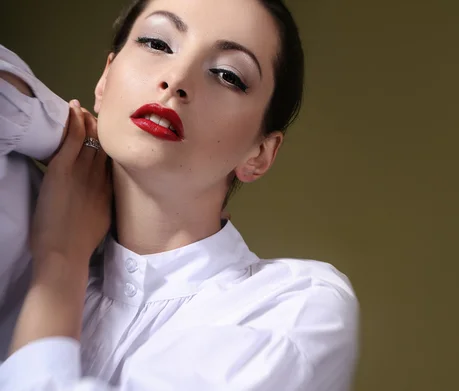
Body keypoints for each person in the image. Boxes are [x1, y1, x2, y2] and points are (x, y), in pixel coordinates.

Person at [0, 0, 359, 389]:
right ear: (105, 80)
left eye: (226, 74)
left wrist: (60, 266)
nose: (176, 78)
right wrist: (67, 135)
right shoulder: (22, 219)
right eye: (157, 43)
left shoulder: (291, 306)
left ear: (259, 154)